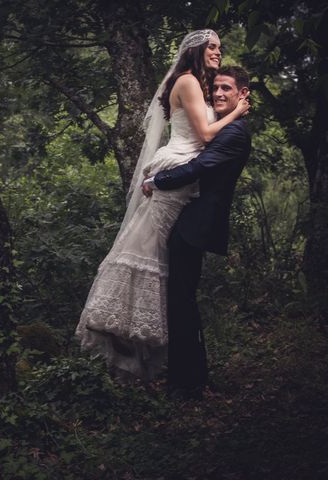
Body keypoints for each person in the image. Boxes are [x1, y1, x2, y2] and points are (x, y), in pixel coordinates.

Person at [75, 29, 249, 382]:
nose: (217, 52)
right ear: (197, 50)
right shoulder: (187, 80)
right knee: (148, 253)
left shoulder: (200, 84)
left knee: (158, 259)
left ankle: (149, 351)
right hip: (177, 166)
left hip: (182, 171)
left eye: (219, 47)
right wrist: (238, 112)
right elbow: (204, 136)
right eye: (212, 47)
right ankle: (123, 329)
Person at [142, 65, 252, 398]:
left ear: (242, 94)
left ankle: (185, 384)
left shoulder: (235, 132)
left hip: (196, 226)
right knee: (181, 301)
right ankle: (190, 378)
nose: (219, 93)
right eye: (215, 88)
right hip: (191, 222)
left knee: (181, 302)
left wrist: (156, 180)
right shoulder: (227, 128)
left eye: (227, 89)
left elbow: (199, 167)